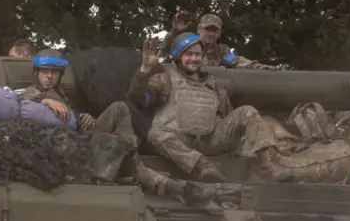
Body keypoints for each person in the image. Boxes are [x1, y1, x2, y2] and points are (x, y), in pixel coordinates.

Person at [21, 49, 219, 203]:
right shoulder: (30, 93)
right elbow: (19, 104)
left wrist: (82, 116)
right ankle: (149, 175)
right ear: (36, 74)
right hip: (65, 148)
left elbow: (68, 116)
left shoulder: (61, 94)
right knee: (127, 145)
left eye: (54, 73)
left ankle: (131, 154)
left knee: (120, 108)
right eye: (45, 72)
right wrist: (45, 102)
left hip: (81, 137)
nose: (49, 77)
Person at [129, 33, 302, 182]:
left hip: (211, 139)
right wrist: (145, 69)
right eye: (188, 54)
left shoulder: (212, 82)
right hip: (180, 140)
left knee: (247, 112)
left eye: (198, 54)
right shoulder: (165, 78)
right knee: (156, 133)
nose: (194, 59)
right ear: (178, 57)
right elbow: (140, 100)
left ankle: (270, 165)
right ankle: (201, 166)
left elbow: (227, 113)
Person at [160, 11, 275, 70]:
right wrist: (173, 31)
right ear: (199, 29)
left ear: (219, 33)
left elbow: (235, 60)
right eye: (208, 29)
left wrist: (257, 67)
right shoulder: (187, 43)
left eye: (215, 30)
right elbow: (163, 50)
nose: (211, 34)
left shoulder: (220, 51)